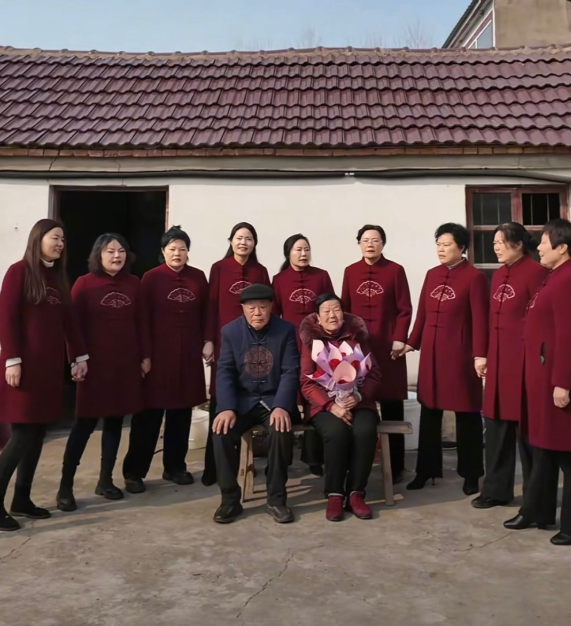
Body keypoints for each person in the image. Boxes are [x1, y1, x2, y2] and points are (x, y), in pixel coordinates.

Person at [0, 219, 87, 532]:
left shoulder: (57, 278)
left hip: (48, 370)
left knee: (37, 434)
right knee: (22, 434)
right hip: (23, 369)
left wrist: (79, 357)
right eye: (55, 237)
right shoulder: (18, 272)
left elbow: (70, 323)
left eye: (63, 239)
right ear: (38, 239)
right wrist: (12, 360)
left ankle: (21, 499)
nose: (60, 244)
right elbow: (6, 318)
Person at [56, 233, 149, 512]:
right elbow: (72, 327)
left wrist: (145, 356)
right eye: (110, 251)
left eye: (121, 251)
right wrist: (75, 360)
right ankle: (65, 486)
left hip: (125, 365)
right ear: (98, 254)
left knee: (115, 422)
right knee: (84, 424)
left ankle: (105, 480)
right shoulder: (84, 284)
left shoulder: (134, 283)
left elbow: (142, 322)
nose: (116, 256)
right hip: (93, 366)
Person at [122, 226, 211, 492]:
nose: (177, 253)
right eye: (172, 249)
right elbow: (142, 319)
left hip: (188, 356)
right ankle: (134, 472)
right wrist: (144, 355)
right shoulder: (151, 278)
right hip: (158, 358)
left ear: (188, 252)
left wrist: (208, 340)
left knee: (181, 414)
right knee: (148, 416)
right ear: (163, 251)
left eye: (182, 249)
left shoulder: (198, 277)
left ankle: (175, 467)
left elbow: (207, 312)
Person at [403, 223, 489, 496]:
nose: (440, 249)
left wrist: (480, 354)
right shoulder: (432, 274)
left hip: (460, 355)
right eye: (438, 244)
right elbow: (423, 314)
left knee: (466, 414)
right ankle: (426, 470)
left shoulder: (474, 277)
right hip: (431, 354)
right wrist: (411, 342)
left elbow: (480, 320)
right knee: (429, 412)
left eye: (446, 244)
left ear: (461, 247)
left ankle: (471, 473)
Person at [472, 223, 550, 509]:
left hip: (523, 363)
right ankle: (495, 490)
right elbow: (488, 319)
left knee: (527, 433)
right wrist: (482, 354)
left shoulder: (537, 273)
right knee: (496, 429)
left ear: (518, 244)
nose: (495, 247)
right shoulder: (497, 275)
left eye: (500, 242)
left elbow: (540, 321)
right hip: (497, 362)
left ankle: (535, 498)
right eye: (493, 242)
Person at [504, 219, 571, 546]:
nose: (539, 247)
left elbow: (567, 335)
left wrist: (563, 382)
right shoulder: (554, 276)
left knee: (565, 455)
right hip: (540, 379)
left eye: (544, 242)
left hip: (556, 381)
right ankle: (536, 511)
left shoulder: (567, 280)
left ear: (563, 247)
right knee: (542, 450)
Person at [211, 284, 299, 524]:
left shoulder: (285, 330)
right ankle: (230, 500)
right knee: (221, 431)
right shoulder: (230, 331)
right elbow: (225, 370)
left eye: (263, 307)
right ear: (242, 308)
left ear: (271, 307)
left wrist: (282, 405)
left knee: (281, 430)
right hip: (243, 401)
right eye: (251, 308)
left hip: (273, 399)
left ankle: (276, 500)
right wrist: (226, 407)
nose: (257, 313)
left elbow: (290, 371)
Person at [300, 294, 382, 521]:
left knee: (365, 431)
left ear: (343, 314)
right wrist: (330, 405)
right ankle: (335, 494)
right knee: (336, 432)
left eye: (336, 310)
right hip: (324, 405)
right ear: (318, 318)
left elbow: (374, 373)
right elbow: (306, 382)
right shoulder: (311, 342)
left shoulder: (357, 337)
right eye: (326, 311)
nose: (332, 315)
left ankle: (356, 493)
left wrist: (359, 395)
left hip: (359, 401)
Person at [342, 224, 412, 484]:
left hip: (388, 348)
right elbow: (344, 308)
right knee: (359, 403)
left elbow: (405, 309)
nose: (370, 244)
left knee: (392, 405)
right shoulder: (350, 271)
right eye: (365, 240)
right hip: (358, 349)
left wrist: (400, 337)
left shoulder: (395, 270)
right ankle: (358, 461)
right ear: (359, 243)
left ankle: (397, 466)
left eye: (375, 240)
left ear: (383, 244)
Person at [202, 222, 270, 487]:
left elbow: (269, 309)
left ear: (255, 244)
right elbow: (211, 306)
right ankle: (213, 468)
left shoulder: (260, 271)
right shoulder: (219, 268)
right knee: (221, 399)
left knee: (251, 395)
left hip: (254, 344)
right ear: (231, 241)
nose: (244, 243)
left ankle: (248, 463)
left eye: (249, 238)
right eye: (239, 238)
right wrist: (209, 339)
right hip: (225, 342)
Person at [272, 233, 334, 476]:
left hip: (318, 344)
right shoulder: (279, 280)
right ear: (288, 253)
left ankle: (314, 455)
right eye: (298, 249)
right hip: (289, 344)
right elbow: (274, 314)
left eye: (306, 249)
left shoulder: (321, 276)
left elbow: (331, 309)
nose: (303, 253)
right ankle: (284, 457)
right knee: (288, 395)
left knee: (315, 396)